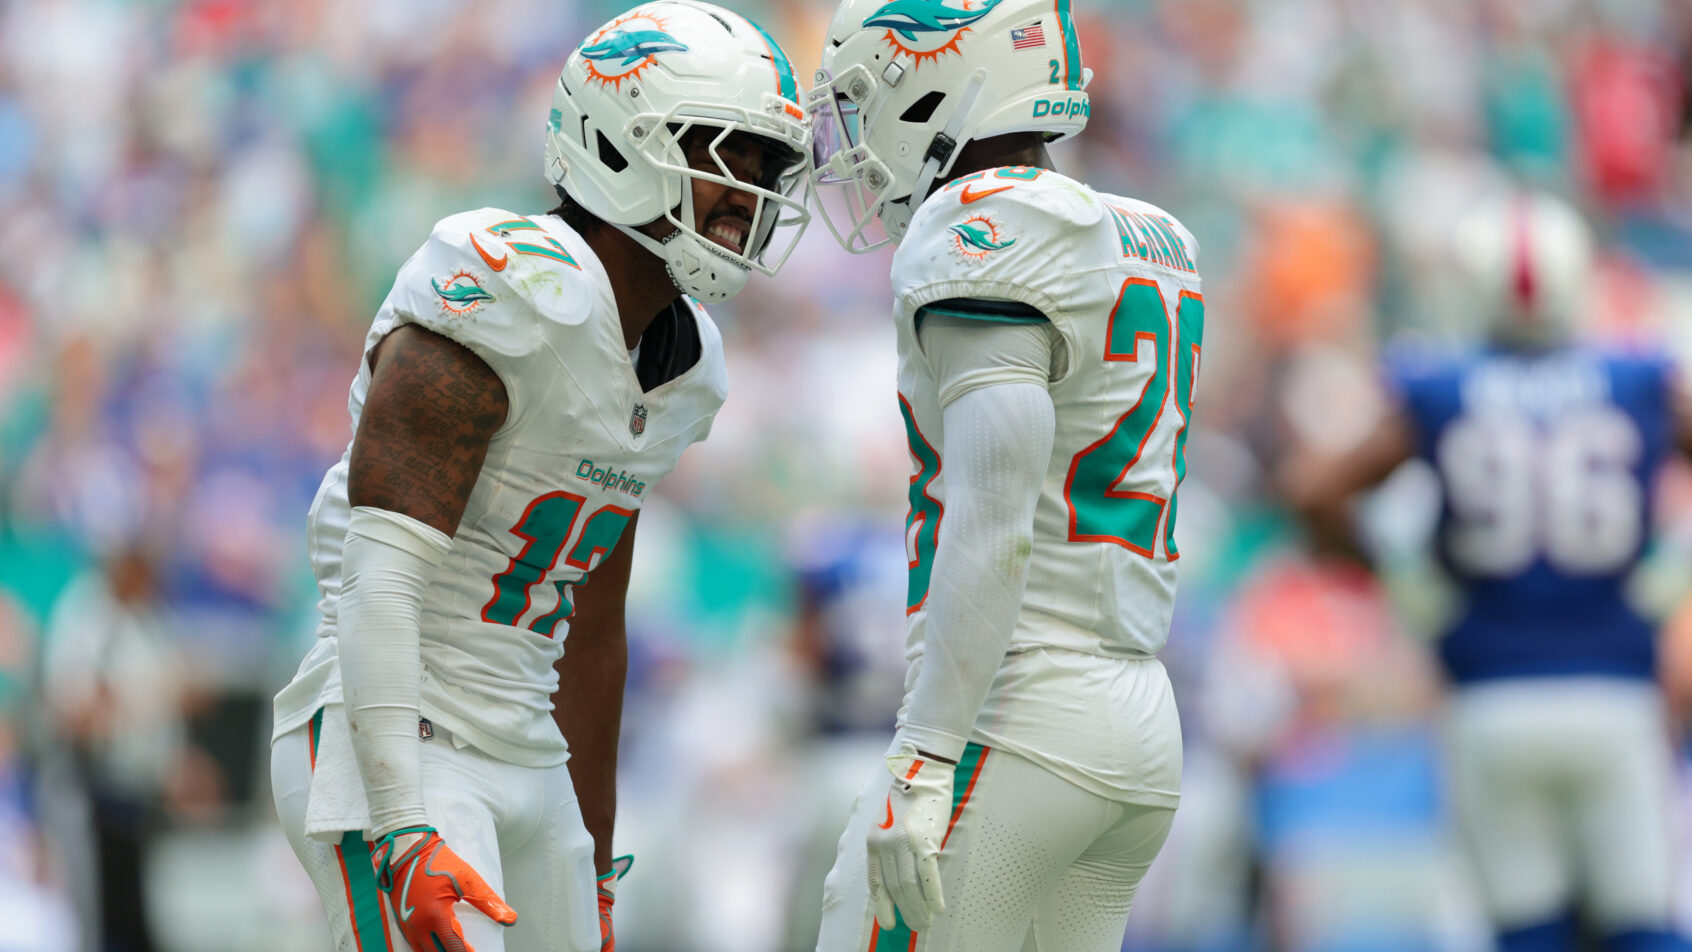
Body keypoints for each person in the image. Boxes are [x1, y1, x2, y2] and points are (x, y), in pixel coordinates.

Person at [267, 4, 811, 950]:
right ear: (618, 144)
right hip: (402, 726)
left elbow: (594, 629)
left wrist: (595, 868)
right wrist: (402, 826)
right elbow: (379, 574)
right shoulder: (501, 292)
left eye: (764, 167)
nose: (747, 192)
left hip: (527, 742)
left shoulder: (684, 365)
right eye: (721, 153)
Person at [806, 1, 1203, 948]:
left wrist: (925, 753)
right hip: (1135, 714)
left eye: (868, 99)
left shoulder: (984, 227)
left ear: (940, 77)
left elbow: (994, 520)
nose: (856, 138)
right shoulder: (1152, 232)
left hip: (1018, 707)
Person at [1285, 188, 1692, 952]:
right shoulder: (1636, 381)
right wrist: (1668, 576)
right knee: (1643, 927)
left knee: (1529, 932)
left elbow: (1313, 489)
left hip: (1488, 698)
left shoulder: (1439, 386)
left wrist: (1406, 583)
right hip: (1616, 689)